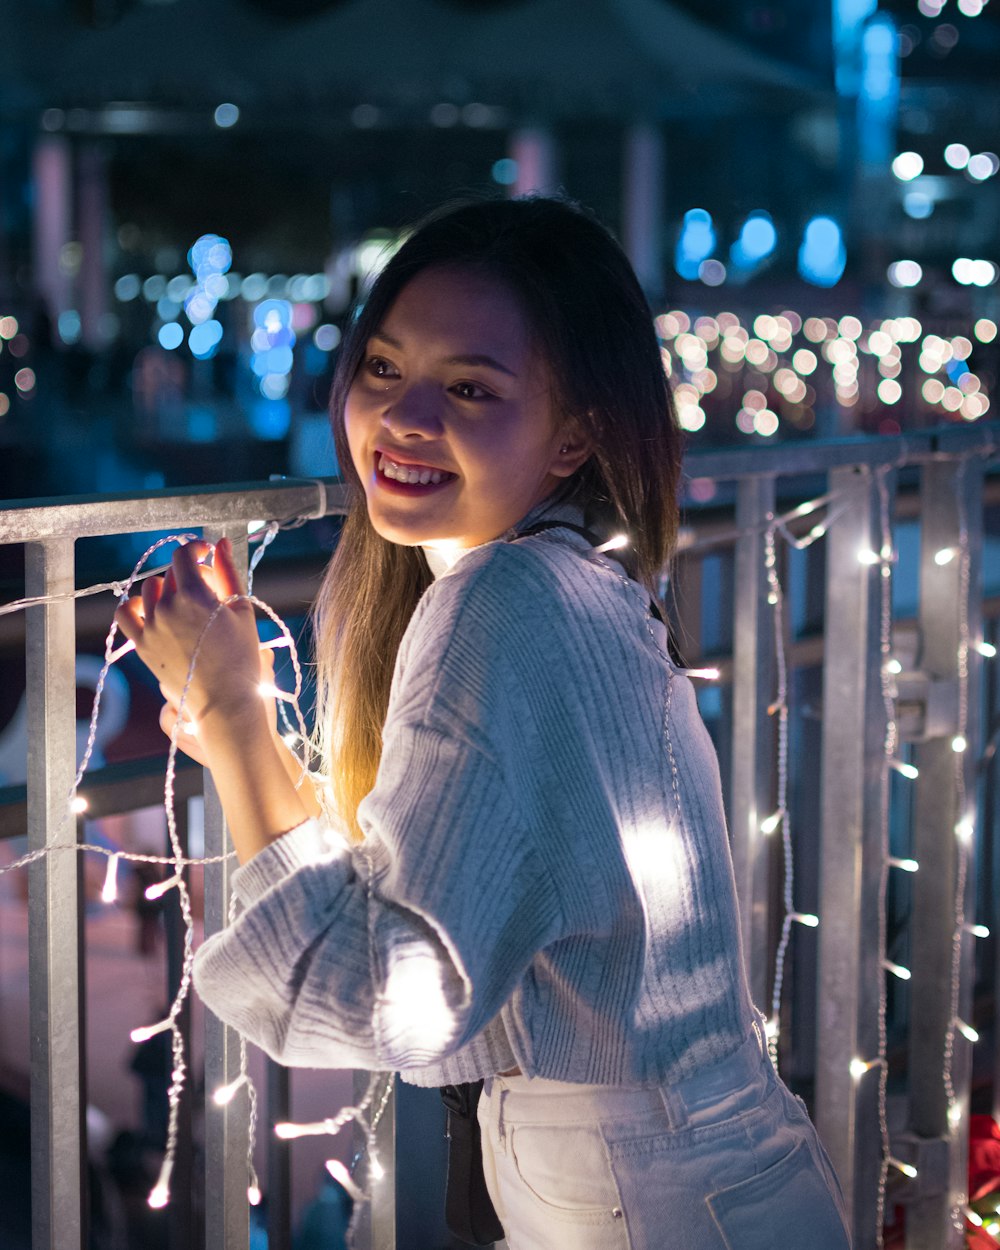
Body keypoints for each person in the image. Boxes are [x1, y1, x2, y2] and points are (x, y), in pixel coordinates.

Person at [115, 197, 852, 1249]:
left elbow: (385, 997)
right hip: (689, 1183)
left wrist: (236, 711)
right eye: (382, 368)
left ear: (573, 437)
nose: (406, 416)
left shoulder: (504, 602)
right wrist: (257, 745)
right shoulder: (570, 583)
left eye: (469, 387)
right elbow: (426, 894)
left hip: (651, 1210)